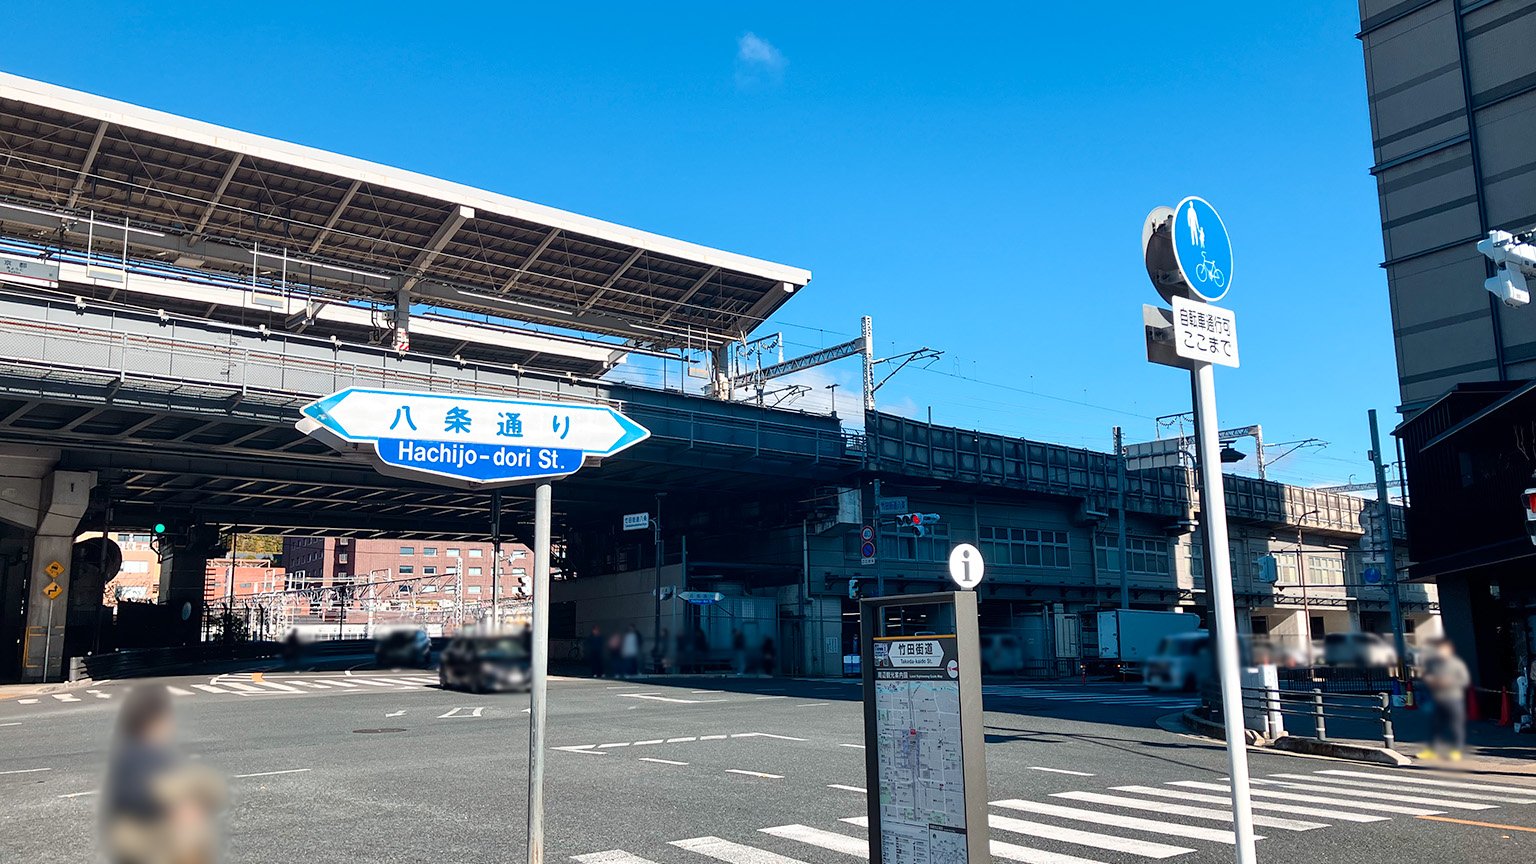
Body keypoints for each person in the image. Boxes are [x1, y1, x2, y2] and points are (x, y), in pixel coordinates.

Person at [102, 684, 226, 864]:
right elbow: (132, 795)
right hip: (139, 828)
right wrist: (174, 810)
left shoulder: (157, 751)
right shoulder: (132, 753)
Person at [1420, 638, 1470, 761]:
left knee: (1455, 725)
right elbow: (1426, 677)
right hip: (1437, 698)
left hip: (1454, 698)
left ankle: (1456, 750)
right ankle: (1432, 750)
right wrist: (1430, 680)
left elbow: (1464, 680)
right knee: (1435, 725)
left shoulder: (1456, 664)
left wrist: (1449, 682)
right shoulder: (1433, 664)